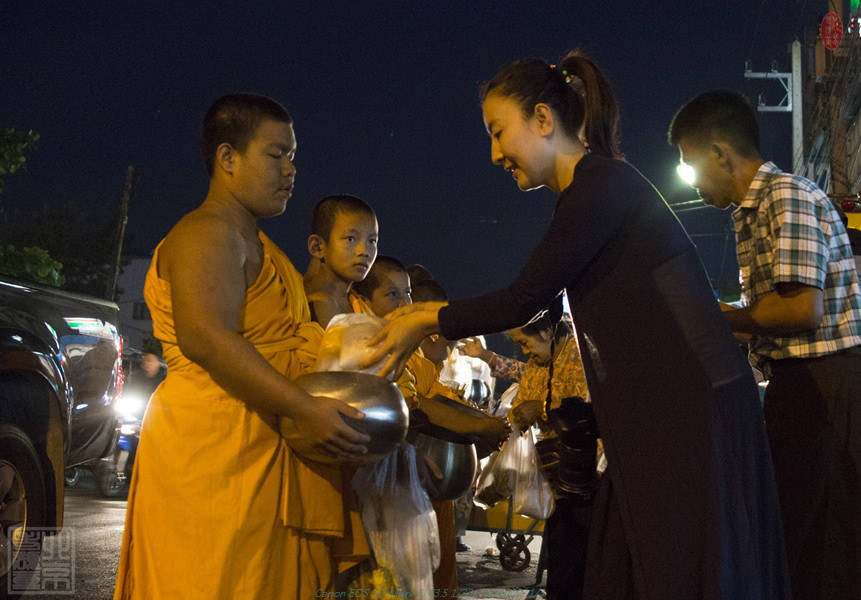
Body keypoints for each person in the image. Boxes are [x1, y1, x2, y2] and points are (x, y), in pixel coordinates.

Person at [365, 52, 789, 599]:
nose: (495, 153)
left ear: (543, 119)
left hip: (691, 416)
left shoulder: (600, 187)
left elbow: (521, 299)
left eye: (499, 133)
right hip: (663, 417)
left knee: (686, 572)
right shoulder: (591, 190)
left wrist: (424, 317)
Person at [113, 94, 370, 600]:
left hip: (261, 439)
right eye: (277, 155)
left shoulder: (257, 243)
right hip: (213, 449)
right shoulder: (205, 233)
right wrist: (304, 407)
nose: (291, 170)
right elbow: (206, 338)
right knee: (214, 581)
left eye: (293, 157)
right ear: (228, 158)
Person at [669, 89, 861, 600]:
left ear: (719, 153)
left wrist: (717, 316)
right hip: (799, 388)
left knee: (824, 550)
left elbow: (800, 309)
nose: (691, 176)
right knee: (799, 543)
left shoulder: (784, 195)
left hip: (827, 387)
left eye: (689, 162)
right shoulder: (751, 211)